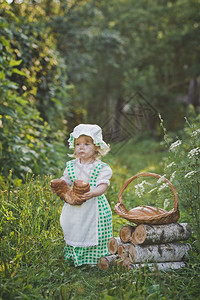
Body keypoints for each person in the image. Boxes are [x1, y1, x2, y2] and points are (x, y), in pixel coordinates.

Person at [58, 124, 113, 267]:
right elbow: (66, 181)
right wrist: (60, 186)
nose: (81, 147)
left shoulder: (101, 167)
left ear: (96, 147)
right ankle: (74, 255)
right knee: (75, 228)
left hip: (94, 205)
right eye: (78, 144)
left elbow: (103, 185)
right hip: (75, 205)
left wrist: (93, 192)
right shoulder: (71, 165)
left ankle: (95, 258)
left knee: (93, 230)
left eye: (87, 144)